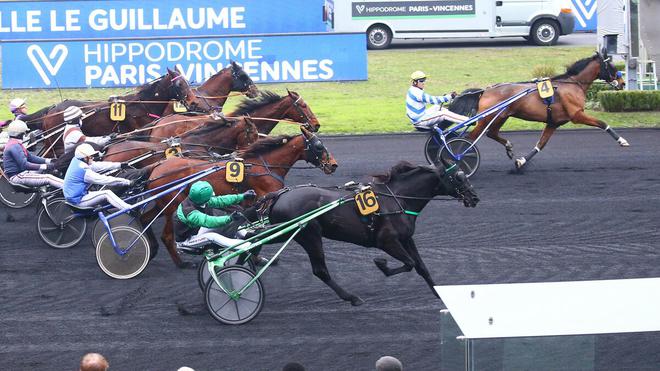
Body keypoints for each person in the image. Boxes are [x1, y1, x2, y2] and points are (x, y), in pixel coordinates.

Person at [174, 180, 257, 252]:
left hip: (197, 230)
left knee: (228, 223)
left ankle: (245, 234)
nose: (212, 197)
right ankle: (246, 246)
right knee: (213, 236)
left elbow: (220, 200)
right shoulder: (190, 212)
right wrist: (229, 218)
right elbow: (209, 221)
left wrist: (242, 196)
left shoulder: (198, 200)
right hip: (186, 241)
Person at [63, 143, 134, 210]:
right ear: (85, 158)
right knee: (106, 193)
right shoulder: (84, 171)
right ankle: (129, 209)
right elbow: (105, 180)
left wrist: (119, 165)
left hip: (77, 195)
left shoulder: (78, 161)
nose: (93, 158)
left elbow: (99, 165)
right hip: (78, 201)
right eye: (90, 156)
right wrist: (127, 182)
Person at [2, 120, 63, 188]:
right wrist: (45, 166)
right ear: (20, 134)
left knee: (48, 171)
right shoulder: (14, 146)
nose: (25, 135)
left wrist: (49, 161)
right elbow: (24, 165)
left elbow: (31, 158)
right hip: (17, 176)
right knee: (48, 178)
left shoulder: (14, 143)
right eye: (24, 133)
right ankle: (70, 189)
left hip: (22, 173)